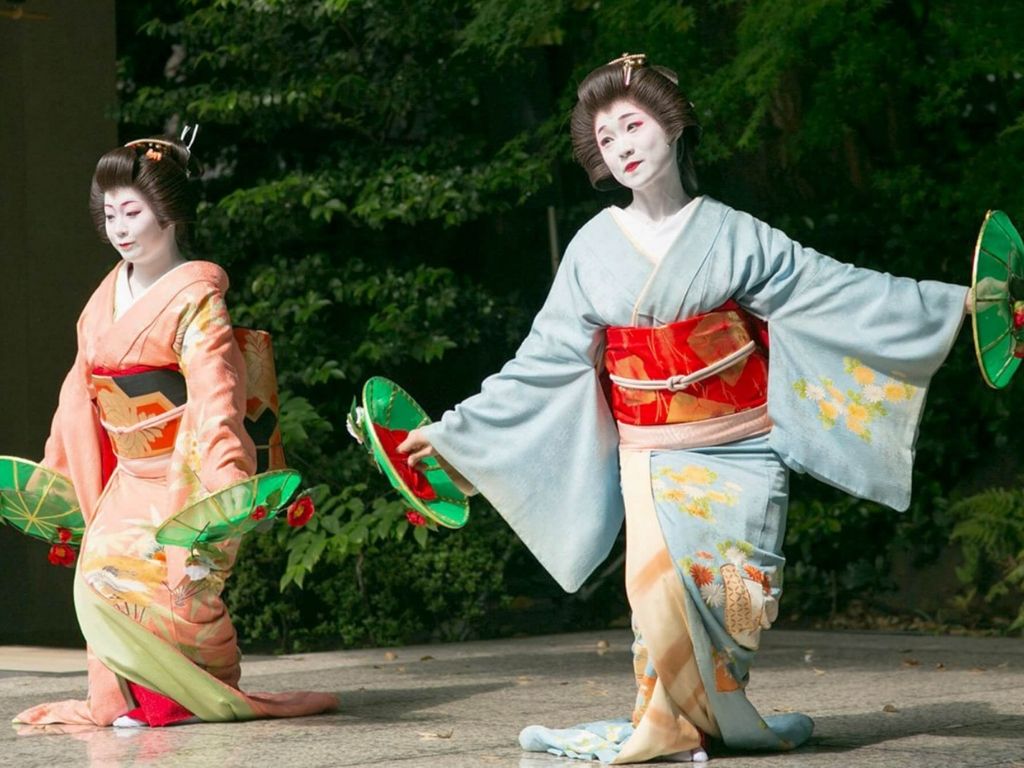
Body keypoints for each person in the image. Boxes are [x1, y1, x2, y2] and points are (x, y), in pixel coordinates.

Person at [398, 54, 969, 762]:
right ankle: (664, 725)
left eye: (633, 125)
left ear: (672, 125)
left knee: (739, 597)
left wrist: (957, 306)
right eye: (607, 140)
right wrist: (454, 431)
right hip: (652, 451)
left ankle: (712, 718)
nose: (624, 146)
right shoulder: (591, 249)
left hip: (744, 447)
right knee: (657, 589)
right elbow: (543, 361)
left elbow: (837, 291)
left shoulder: (736, 233)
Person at [13, 130, 337, 728]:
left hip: (182, 469)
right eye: (110, 214)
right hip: (126, 472)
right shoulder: (104, 297)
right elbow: (77, 390)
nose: (120, 227)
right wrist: (58, 465)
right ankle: (130, 702)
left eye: (132, 212)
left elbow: (217, 390)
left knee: (172, 586)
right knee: (98, 580)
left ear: (170, 213)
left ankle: (175, 702)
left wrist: (224, 480)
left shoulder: (196, 295)